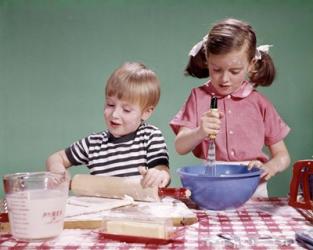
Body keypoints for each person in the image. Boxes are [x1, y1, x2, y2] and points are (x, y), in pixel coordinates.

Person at [170, 18, 290, 197]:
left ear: (251, 65)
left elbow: (283, 156)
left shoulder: (260, 103)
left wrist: (269, 167)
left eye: (234, 71)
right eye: (216, 69)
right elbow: (180, 146)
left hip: (253, 189)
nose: (224, 79)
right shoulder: (198, 97)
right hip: (211, 185)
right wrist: (200, 132)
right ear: (207, 61)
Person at [46, 62, 170, 188]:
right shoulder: (93, 144)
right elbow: (56, 158)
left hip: (143, 207)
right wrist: (58, 170)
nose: (115, 114)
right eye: (110, 104)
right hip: (103, 208)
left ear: (146, 112)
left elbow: (162, 171)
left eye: (126, 110)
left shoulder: (150, 136)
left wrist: (157, 175)